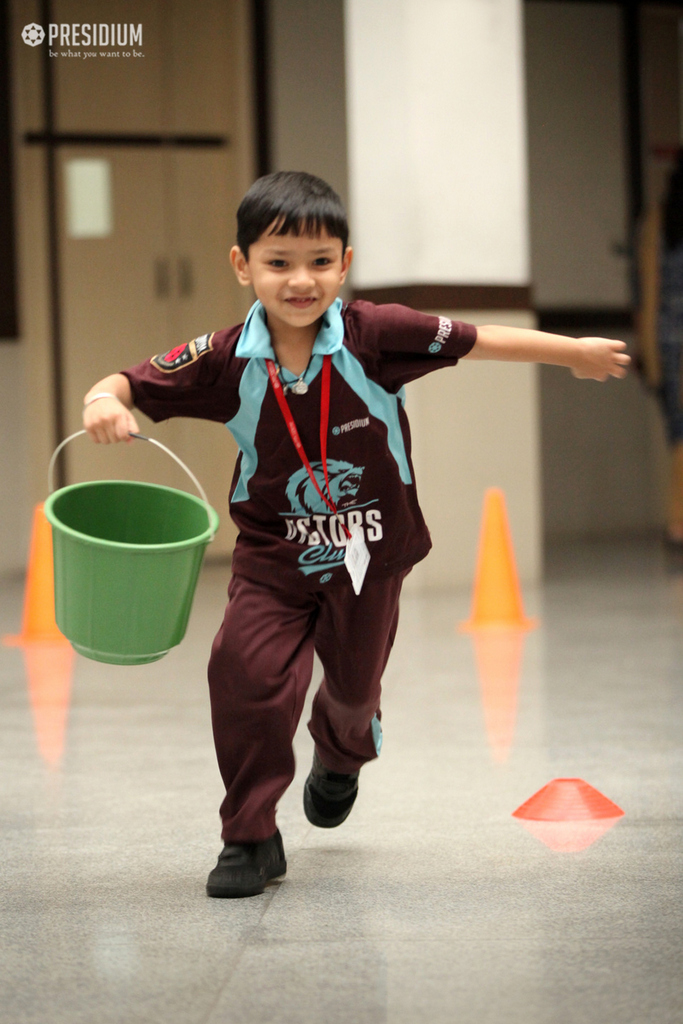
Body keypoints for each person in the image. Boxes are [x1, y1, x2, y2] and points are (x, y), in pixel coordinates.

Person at [83, 171, 630, 898]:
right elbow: (126, 382)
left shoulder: (375, 335)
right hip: (272, 557)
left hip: (368, 560)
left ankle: (343, 751)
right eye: (277, 263)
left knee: (350, 688)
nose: (299, 280)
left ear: (344, 263)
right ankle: (249, 835)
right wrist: (101, 401)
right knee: (242, 676)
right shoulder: (223, 358)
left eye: (318, 261)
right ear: (242, 265)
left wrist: (573, 353)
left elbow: (479, 339)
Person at [636, 151, 683, 544]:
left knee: (678, 434)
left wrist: (651, 357)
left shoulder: (658, 221)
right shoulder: (658, 222)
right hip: (671, 340)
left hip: (668, 339)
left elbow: (649, 293)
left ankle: (677, 522)